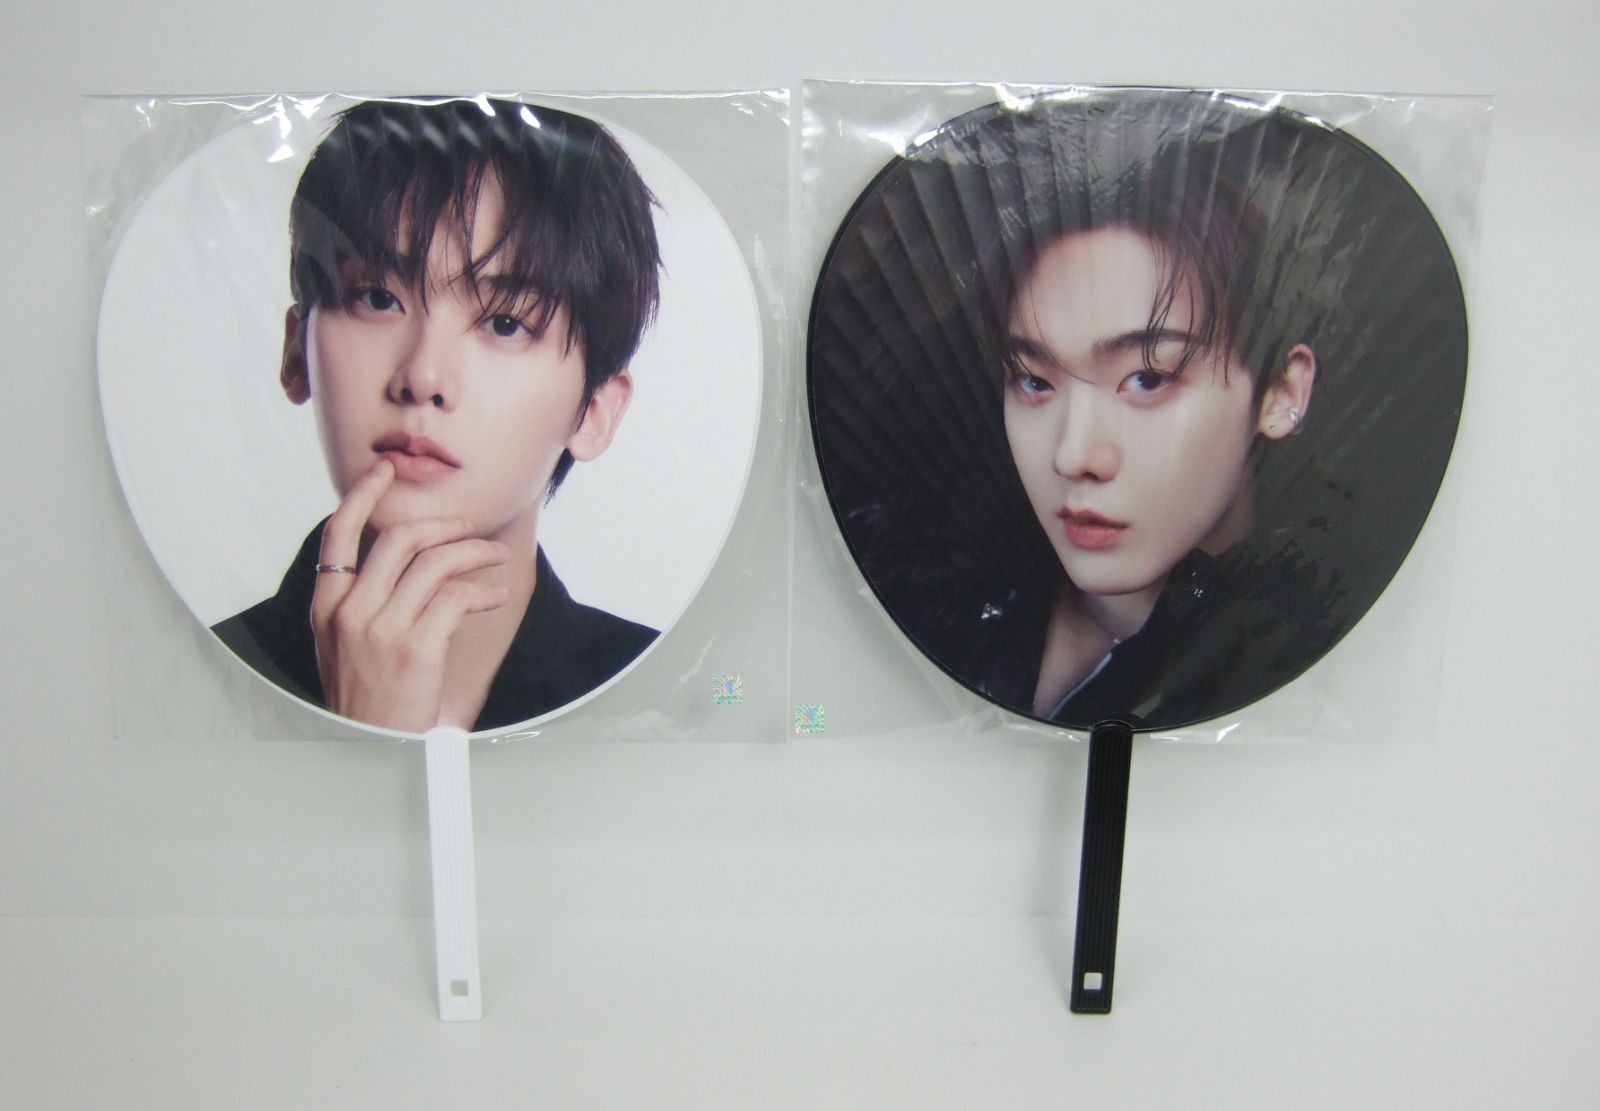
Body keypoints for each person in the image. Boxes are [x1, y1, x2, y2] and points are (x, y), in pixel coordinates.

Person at [808, 90, 1466, 730]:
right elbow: (812, 710)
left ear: (1281, 392)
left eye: (1147, 379)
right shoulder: (945, 604)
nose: (1076, 455)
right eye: (1034, 380)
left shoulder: (1299, 649)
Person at [214, 97, 664, 733]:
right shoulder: (178, 681)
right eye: (378, 298)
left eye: (504, 324)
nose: (422, 378)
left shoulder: (667, 697)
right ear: (296, 353)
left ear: (594, 410)